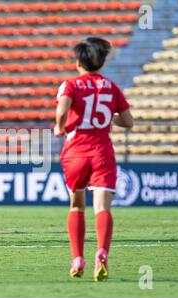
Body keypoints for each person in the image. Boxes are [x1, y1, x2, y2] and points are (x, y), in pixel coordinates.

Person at [54, 37, 134, 281]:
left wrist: (60, 127)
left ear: (78, 62)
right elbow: (128, 122)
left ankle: (77, 257)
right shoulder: (111, 87)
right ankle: (102, 252)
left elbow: (62, 110)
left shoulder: (70, 84)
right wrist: (108, 117)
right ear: (100, 63)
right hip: (102, 152)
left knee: (77, 204)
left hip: (76, 151)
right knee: (102, 207)